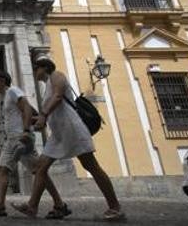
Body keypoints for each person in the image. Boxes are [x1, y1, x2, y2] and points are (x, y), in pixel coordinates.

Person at [11, 56, 125, 221]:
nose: (35, 72)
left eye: (36, 68)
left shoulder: (57, 75)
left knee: (91, 166)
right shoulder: (46, 87)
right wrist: (32, 120)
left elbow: (58, 97)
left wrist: (43, 115)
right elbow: (53, 111)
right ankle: (34, 206)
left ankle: (115, 207)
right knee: (40, 167)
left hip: (72, 130)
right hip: (58, 134)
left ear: (44, 68)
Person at [0, 70, 71, 219]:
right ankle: (0, 205)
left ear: (2, 80)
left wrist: (27, 130)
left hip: (20, 138)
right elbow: (30, 112)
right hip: (12, 139)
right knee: (10, 169)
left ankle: (59, 204)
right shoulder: (6, 97)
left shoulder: (13, 91)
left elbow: (27, 108)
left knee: (33, 170)